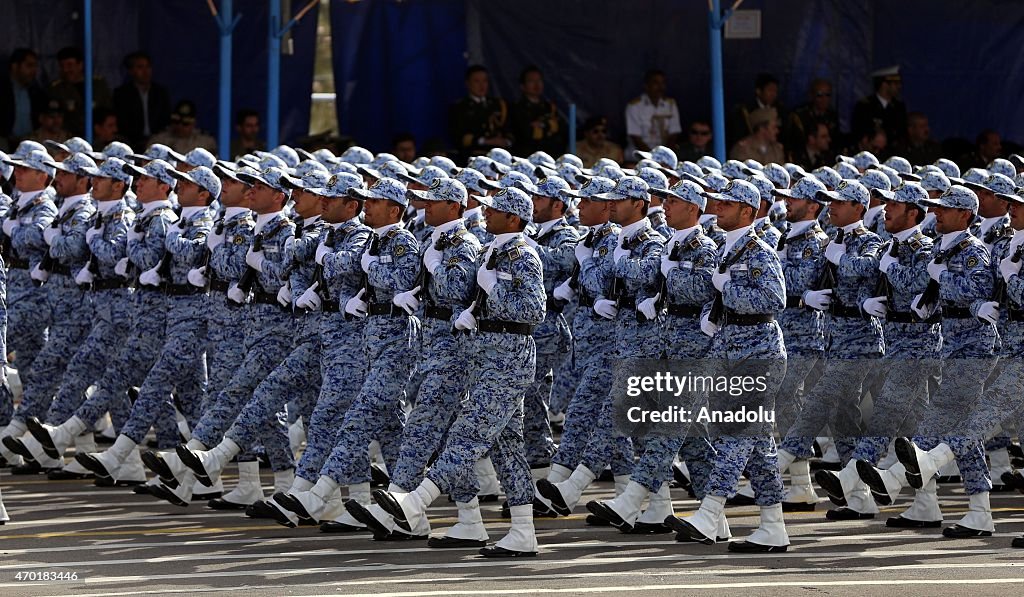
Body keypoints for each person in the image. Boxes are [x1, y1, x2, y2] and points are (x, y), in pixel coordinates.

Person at [373, 186, 546, 557]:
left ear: (513, 219)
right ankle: (523, 530)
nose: (486, 212)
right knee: (506, 446)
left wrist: (493, 293)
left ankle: (415, 502)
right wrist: (476, 309)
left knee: (468, 434)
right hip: (487, 353)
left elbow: (533, 311)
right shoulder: (493, 249)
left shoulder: (522, 256)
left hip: (509, 357)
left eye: (495, 209)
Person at [665, 178, 789, 553]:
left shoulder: (758, 251)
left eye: (728, 204)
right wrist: (710, 311)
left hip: (759, 351)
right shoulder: (725, 248)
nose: (718, 208)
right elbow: (716, 296)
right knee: (759, 447)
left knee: (737, 436)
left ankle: (709, 511)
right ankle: (773, 527)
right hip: (730, 349)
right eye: (718, 202)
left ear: (748, 212)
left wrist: (725, 289)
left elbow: (774, 298)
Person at [1, 153, 96, 472]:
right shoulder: (24, 204)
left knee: (50, 370)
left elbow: (48, 242)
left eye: (27, 169)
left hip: (43, 296)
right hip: (36, 293)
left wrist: (16, 230)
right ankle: (68, 449)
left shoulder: (48, 206)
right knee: (44, 371)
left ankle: (12, 433)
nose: (20, 173)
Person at [448, 65, 510, 161]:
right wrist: (486, 141)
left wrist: (506, 141)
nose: (482, 85)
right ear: (468, 83)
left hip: (500, 156)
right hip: (475, 157)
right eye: (477, 81)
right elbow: (461, 138)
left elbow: (509, 130)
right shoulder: (460, 107)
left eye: (485, 81)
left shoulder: (498, 104)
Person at [48, 47, 112, 138]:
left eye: (69, 65)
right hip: (70, 138)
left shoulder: (98, 85)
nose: (66, 70)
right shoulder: (56, 89)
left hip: (98, 138)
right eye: (62, 66)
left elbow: (108, 111)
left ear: (80, 65)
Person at [113, 51, 172, 150]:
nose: (145, 71)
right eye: (140, 67)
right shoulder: (122, 94)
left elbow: (165, 119)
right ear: (131, 71)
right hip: (131, 142)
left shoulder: (160, 92)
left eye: (148, 67)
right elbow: (122, 122)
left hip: (158, 141)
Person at [510, 66, 566, 157]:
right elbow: (526, 133)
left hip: (550, 154)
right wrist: (549, 126)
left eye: (539, 80)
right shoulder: (516, 108)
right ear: (523, 86)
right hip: (526, 155)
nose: (537, 85)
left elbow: (561, 128)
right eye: (531, 81)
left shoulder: (549, 107)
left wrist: (542, 125)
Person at [625, 69, 681, 156]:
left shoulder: (670, 105)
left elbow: (673, 134)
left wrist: (664, 156)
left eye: (662, 83)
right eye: (656, 83)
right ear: (646, 85)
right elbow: (635, 138)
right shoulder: (634, 106)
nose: (660, 87)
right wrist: (652, 158)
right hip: (639, 156)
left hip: (664, 158)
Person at [1, 48, 48, 150]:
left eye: (35, 66)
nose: (34, 71)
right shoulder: (3, 89)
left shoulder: (36, 92)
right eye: (29, 66)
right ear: (15, 66)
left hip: (30, 145)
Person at [851, 65, 907, 149]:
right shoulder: (865, 106)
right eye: (895, 83)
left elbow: (901, 133)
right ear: (884, 85)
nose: (899, 87)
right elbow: (859, 133)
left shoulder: (899, 107)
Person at [784, 78, 840, 157]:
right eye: (819, 95)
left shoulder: (832, 115)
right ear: (812, 95)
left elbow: (835, 143)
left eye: (827, 95)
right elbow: (793, 143)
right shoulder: (800, 116)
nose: (824, 99)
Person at [728, 73, 784, 148]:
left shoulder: (780, 109)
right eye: (770, 90)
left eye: (775, 91)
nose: (773, 94)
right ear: (758, 91)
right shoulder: (745, 111)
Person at [149, 100, 217, 155]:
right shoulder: (158, 140)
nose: (180, 126)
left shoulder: (206, 142)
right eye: (176, 122)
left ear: (194, 123)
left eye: (185, 123)